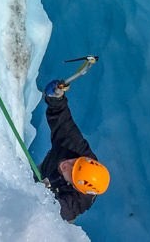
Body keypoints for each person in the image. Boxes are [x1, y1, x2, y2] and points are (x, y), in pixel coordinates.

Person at [38, 78, 110, 222]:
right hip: (43, 172)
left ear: (75, 186)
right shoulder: (76, 149)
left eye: (71, 172)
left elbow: (55, 212)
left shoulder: (77, 202)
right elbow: (64, 123)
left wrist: (40, 193)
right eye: (75, 163)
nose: (67, 165)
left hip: (51, 199)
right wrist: (56, 99)